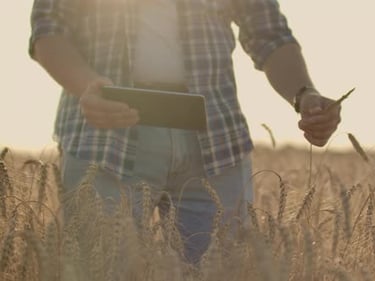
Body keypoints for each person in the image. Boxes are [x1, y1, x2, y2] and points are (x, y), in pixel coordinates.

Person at [29, 0, 342, 264]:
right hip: (106, 136)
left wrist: (304, 94)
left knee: (221, 270)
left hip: (216, 138)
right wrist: (87, 85)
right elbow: (49, 28)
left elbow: (268, 31)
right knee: (102, 269)